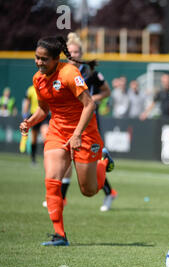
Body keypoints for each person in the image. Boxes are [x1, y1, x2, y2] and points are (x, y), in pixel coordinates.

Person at [19, 35, 115, 246]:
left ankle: (104, 162)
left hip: (85, 133)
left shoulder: (69, 73)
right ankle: (60, 235)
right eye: (37, 58)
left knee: (88, 190)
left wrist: (78, 134)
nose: (39, 62)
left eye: (44, 59)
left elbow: (89, 105)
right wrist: (30, 121)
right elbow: (43, 110)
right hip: (57, 133)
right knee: (52, 182)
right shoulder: (38, 79)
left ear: (56, 59)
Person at [46, 32, 117, 212]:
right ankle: (61, 198)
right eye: (71, 51)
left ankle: (109, 191)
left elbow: (107, 92)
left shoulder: (91, 73)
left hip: (87, 122)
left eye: (77, 51)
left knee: (88, 164)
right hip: (66, 123)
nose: (74, 55)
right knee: (66, 160)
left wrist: (90, 98)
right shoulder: (61, 72)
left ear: (81, 53)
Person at [22, 85, 50, 164]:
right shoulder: (30, 89)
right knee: (34, 139)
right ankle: (33, 159)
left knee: (46, 136)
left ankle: (47, 158)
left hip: (45, 115)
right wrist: (25, 115)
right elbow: (27, 102)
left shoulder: (46, 87)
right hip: (34, 115)